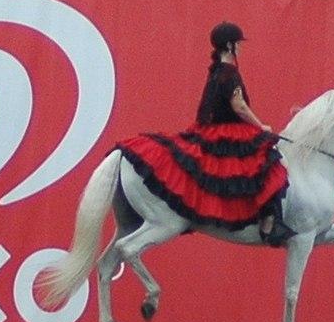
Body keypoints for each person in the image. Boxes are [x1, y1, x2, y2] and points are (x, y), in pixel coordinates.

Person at [116, 21, 295, 246]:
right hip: (230, 132)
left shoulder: (216, 71)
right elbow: (238, 106)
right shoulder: (230, 73)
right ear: (229, 46)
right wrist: (261, 126)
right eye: (238, 44)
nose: (240, 48)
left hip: (207, 130)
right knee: (269, 165)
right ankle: (268, 223)